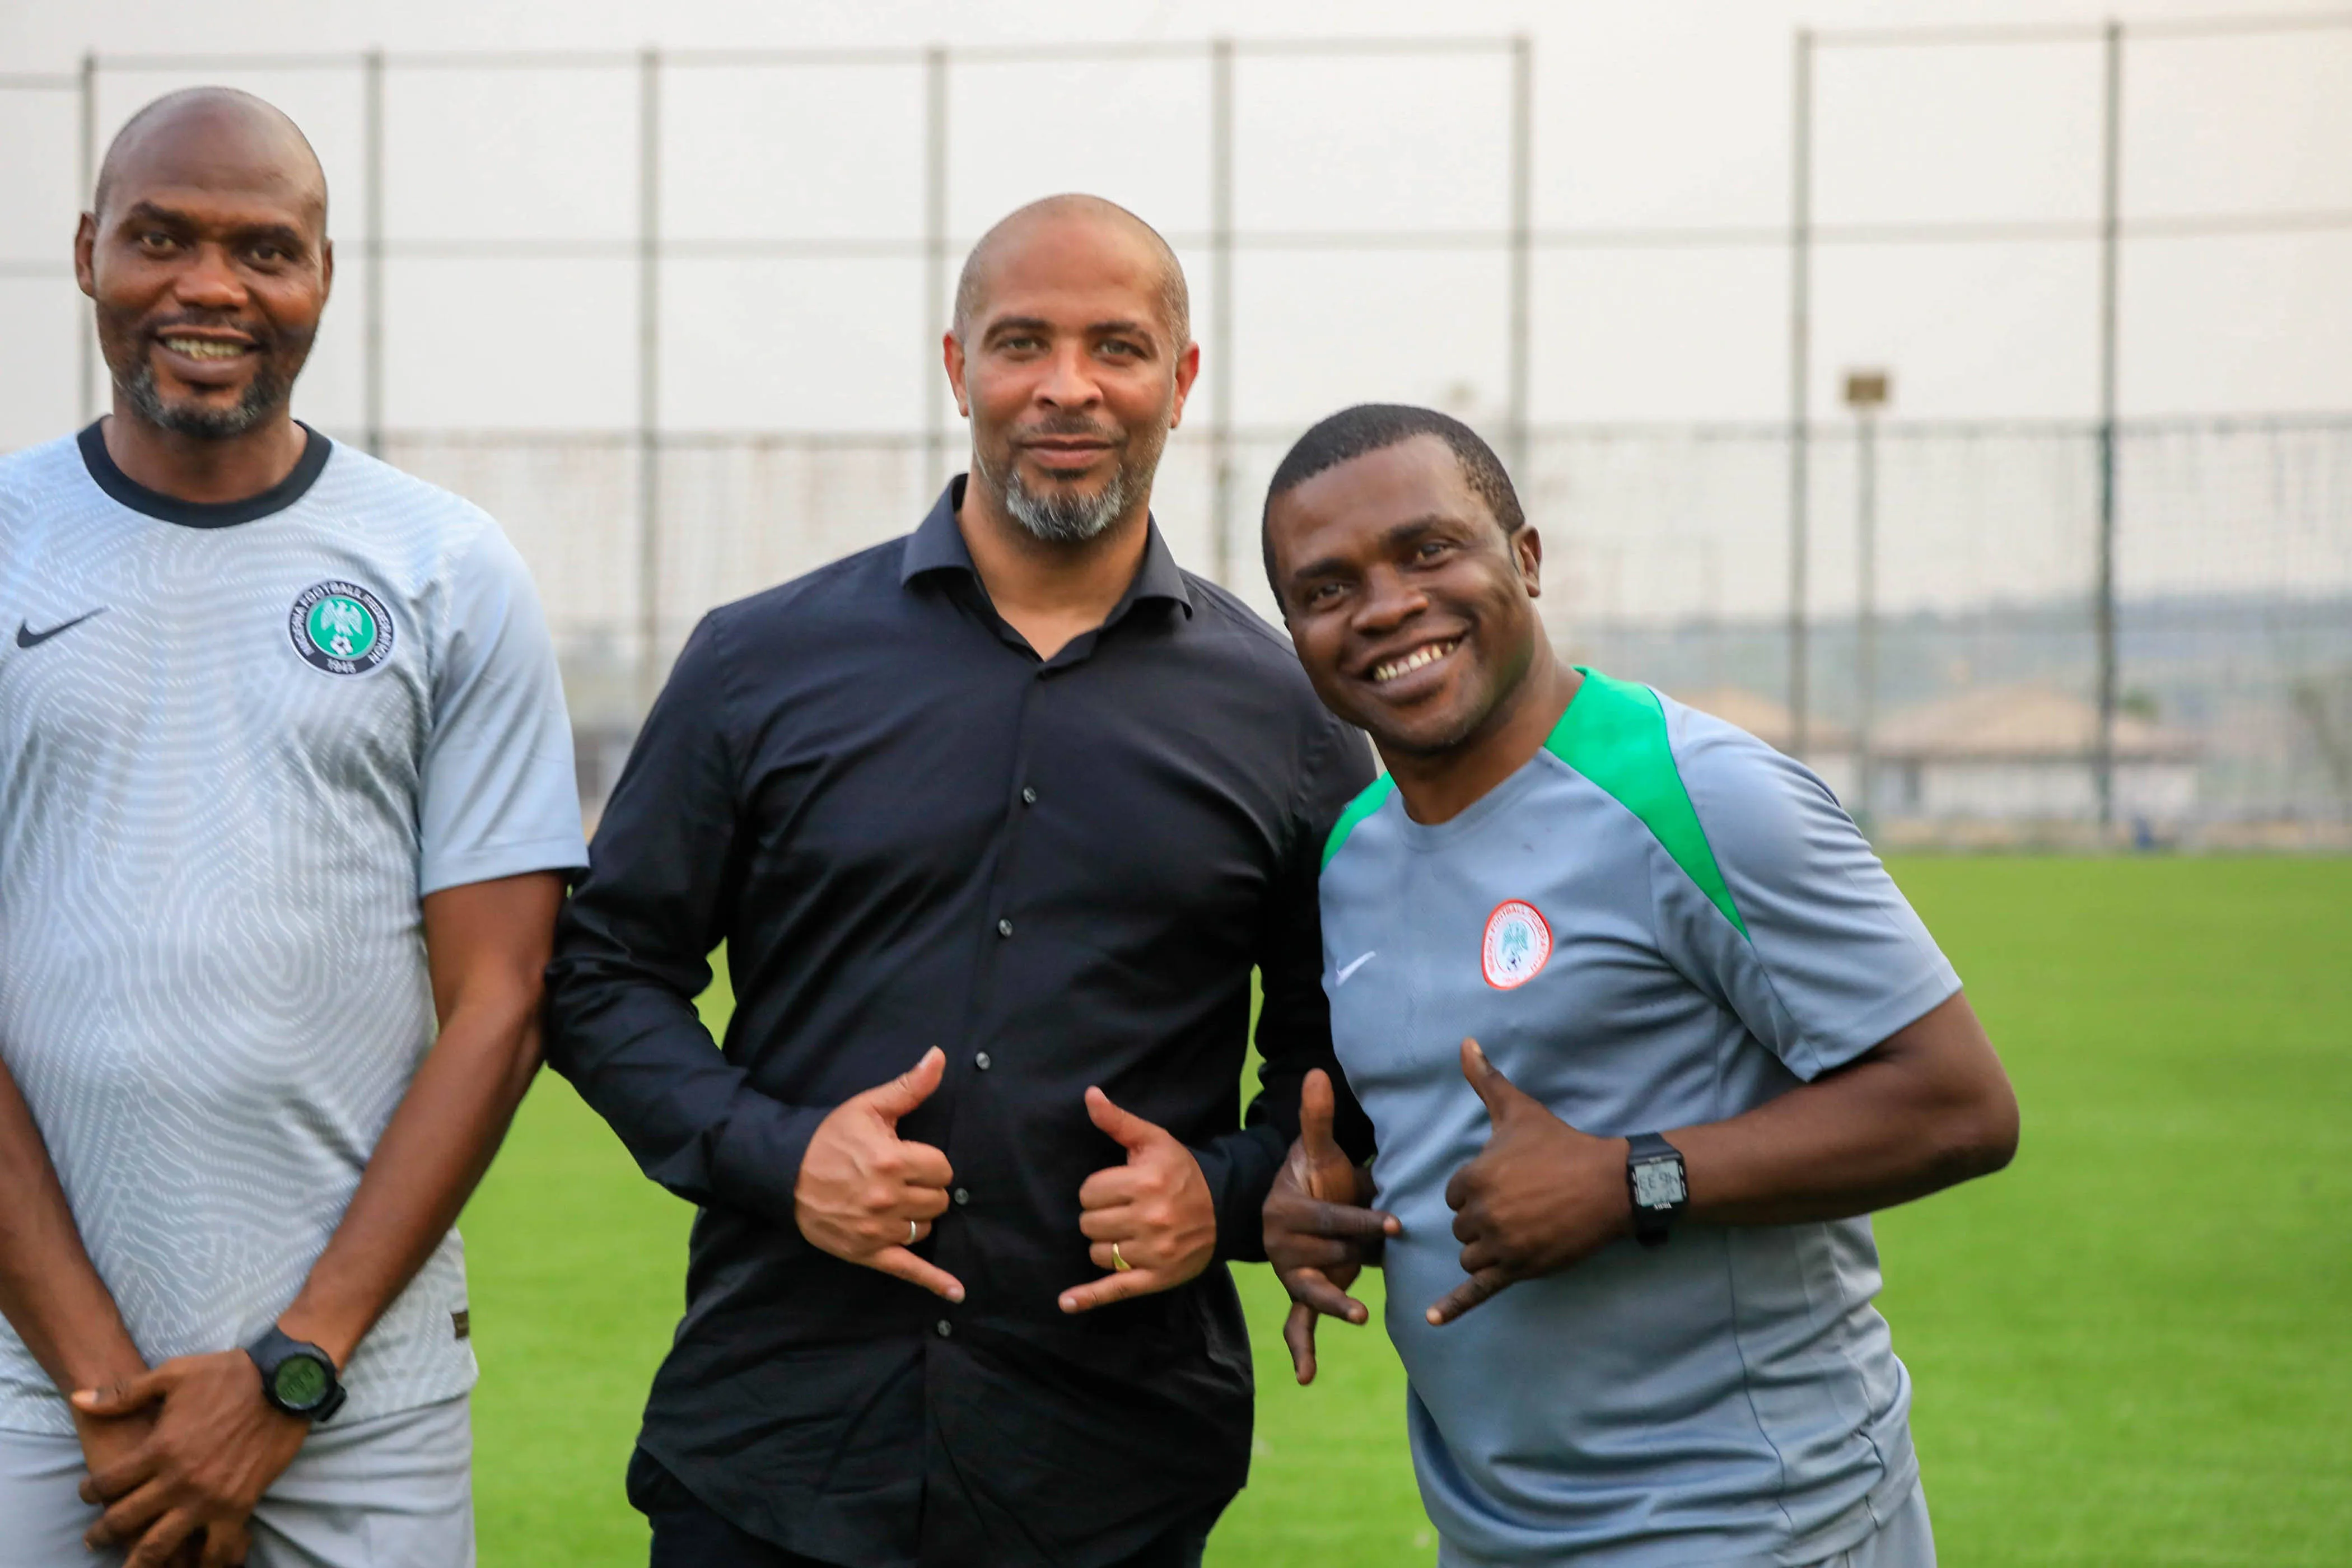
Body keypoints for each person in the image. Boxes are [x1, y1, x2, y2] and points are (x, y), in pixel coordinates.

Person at [542, 194, 1375, 1568]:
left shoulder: (1289, 717)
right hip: (771, 1450)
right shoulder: (757, 663)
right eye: (1022, 342)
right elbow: (601, 972)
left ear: (1181, 380)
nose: (1067, 385)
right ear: (957, 367)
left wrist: (1222, 1192)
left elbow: (1340, 1053)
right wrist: (781, 1155)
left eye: (1116, 346)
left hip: (1113, 1472)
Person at [1258, 404, 2019, 1567]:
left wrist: (1631, 1180)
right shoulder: (1354, 856)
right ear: (1299, 638)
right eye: (1327, 588)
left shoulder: (1703, 795)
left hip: (1759, 1526)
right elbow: (1438, 1138)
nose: (1386, 606)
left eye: (1428, 550)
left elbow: (1960, 1106)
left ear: (1526, 557)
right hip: (1492, 1533)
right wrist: (1325, 1204)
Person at [0, 89, 586, 1567]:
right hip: (32, 1389)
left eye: (264, 249)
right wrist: (98, 1381)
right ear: (86, 252)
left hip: (360, 1398)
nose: (210, 287)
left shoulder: (445, 566)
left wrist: (292, 1369)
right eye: (161, 239)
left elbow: (504, 1000)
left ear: (323, 274)